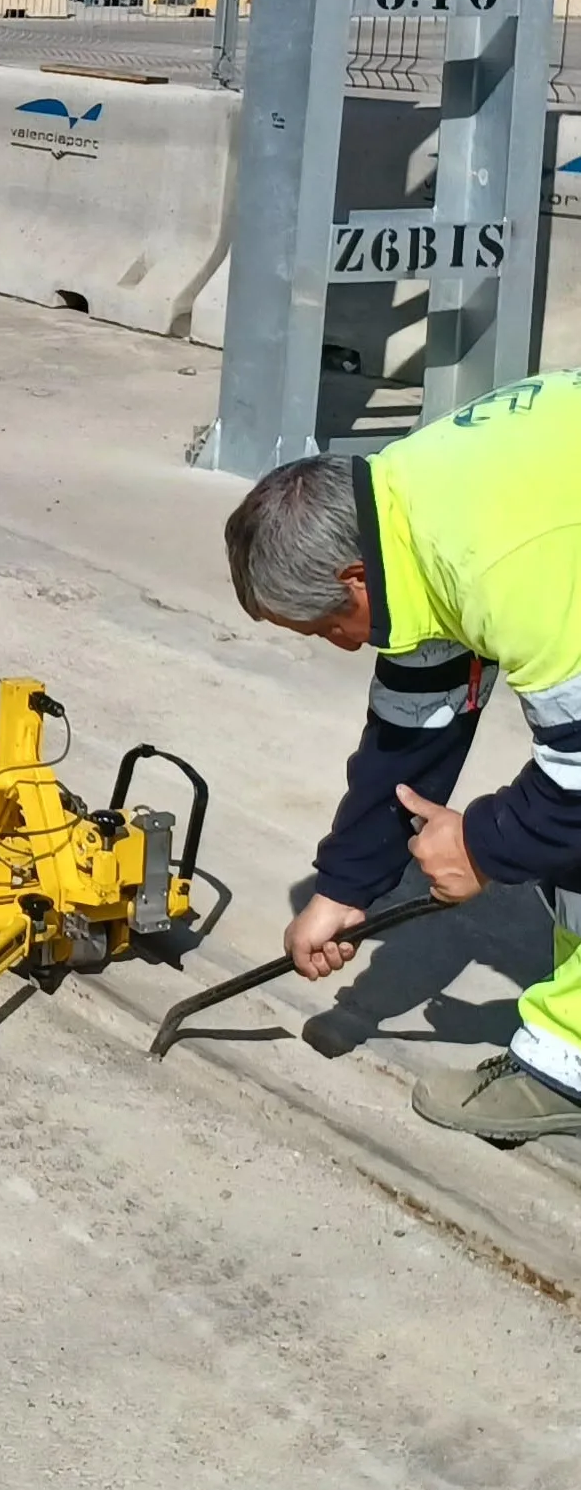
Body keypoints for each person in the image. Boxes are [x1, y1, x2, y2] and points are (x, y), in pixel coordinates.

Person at [224, 373, 581, 1142]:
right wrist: (346, 886)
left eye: (327, 628)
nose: (340, 646)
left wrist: (483, 844)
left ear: (354, 581)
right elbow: (415, 724)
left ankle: (568, 1072)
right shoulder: (407, 512)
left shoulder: (500, 564)